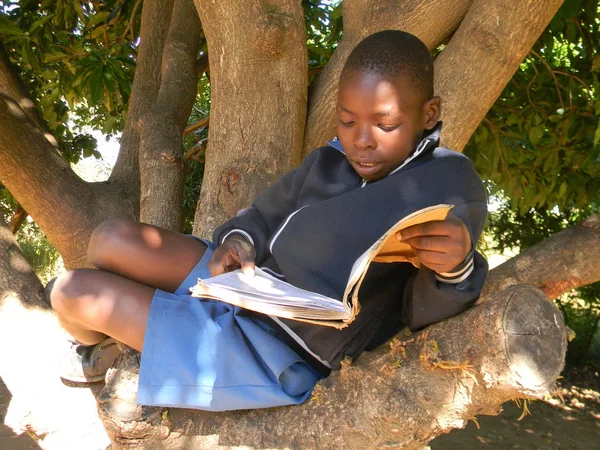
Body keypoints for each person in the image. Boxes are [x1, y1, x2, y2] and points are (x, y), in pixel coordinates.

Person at [49, 30, 488, 411]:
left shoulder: (448, 183)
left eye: (384, 124)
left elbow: (423, 310)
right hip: (248, 286)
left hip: (278, 348)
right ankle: (106, 338)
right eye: (347, 120)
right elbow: (264, 214)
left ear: (429, 114)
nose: (361, 141)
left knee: (72, 291)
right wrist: (239, 243)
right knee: (108, 240)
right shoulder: (329, 161)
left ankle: (96, 354)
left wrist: (456, 270)